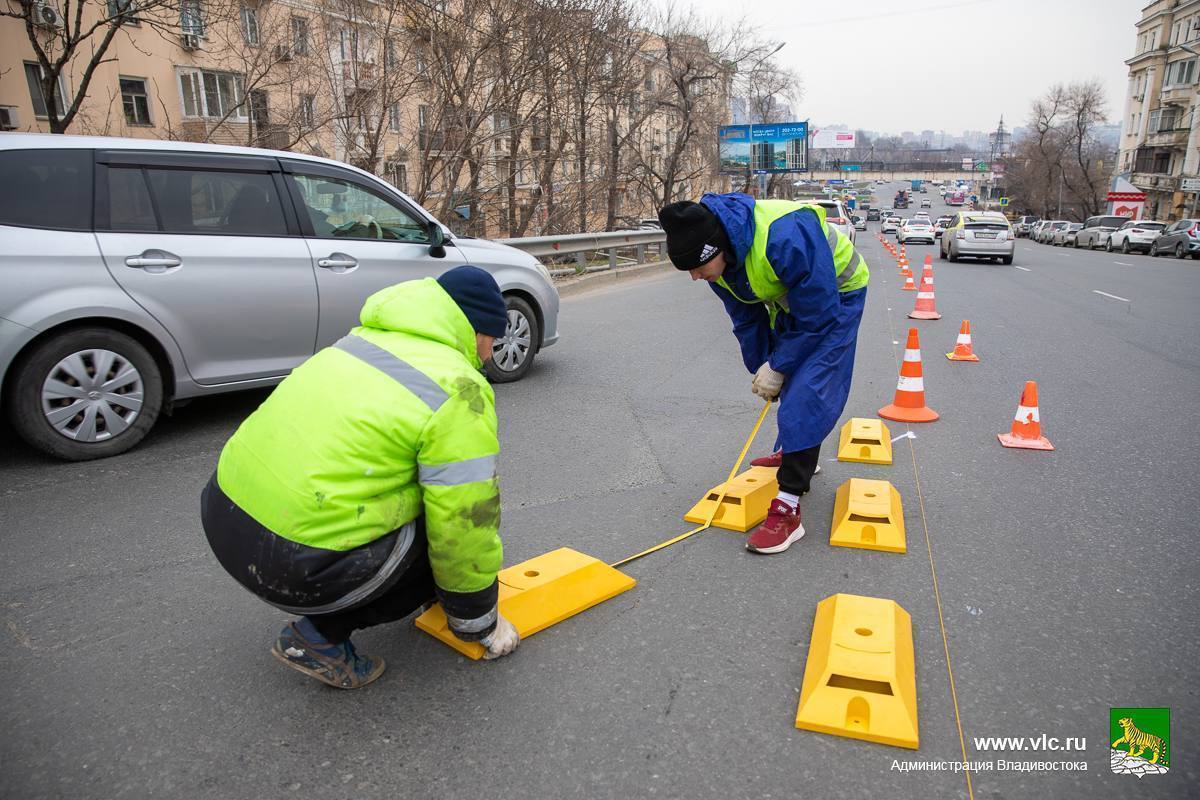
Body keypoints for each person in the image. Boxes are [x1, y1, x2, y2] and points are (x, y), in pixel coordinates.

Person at [201, 266, 519, 689]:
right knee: (441, 535)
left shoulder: (359, 341)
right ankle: (319, 637)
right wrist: (479, 622)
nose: (488, 354)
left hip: (224, 517)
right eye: (492, 339)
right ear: (475, 329)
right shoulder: (459, 389)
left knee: (406, 491)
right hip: (292, 561)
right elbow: (465, 523)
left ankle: (409, 595)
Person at [658, 193, 869, 555]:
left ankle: (788, 509)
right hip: (792, 300)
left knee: (808, 390)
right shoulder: (718, 262)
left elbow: (818, 316)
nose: (695, 277)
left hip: (837, 297)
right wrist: (764, 366)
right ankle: (795, 449)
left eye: (696, 267)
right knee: (785, 372)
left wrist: (782, 366)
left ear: (716, 249)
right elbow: (746, 318)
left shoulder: (784, 235)